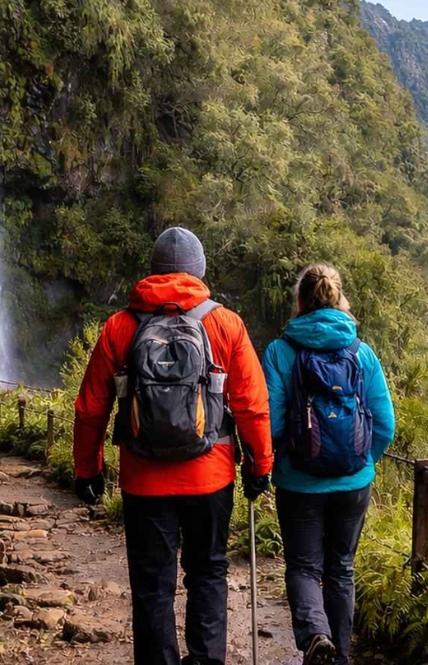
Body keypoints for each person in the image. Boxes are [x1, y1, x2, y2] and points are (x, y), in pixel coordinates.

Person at [73, 226, 274, 665]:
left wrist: (86, 469)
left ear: (154, 270)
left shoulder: (120, 327)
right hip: (211, 475)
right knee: (208, 573)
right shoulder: (225, 323)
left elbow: (91, 408)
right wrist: (260, 464)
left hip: (143, 480)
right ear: (199, 271)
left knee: (152, 584)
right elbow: (252, 405)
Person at [262, 264, 395, 665]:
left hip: (299, 483)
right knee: (341, 568)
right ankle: (339, 657)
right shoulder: (361, 351)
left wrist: (278, 461)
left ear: (300, 301)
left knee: (303, 566)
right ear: (339, 300)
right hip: (353, 484)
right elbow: (384, 423)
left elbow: (272, 421)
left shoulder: (281, 351)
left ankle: (315, 635)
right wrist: (360, 462)